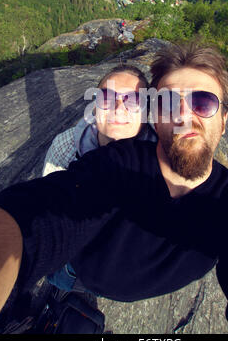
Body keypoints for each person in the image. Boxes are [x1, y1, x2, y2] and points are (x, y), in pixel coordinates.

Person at [0, 42, 228, 334]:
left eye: (203, 102)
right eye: (169, 101)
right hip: (76, 271)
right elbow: (39, 214)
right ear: (155, 119)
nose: (184, 116)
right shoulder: (113, 165)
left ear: (223, 121)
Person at [42, 64, 157, 291]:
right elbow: (48, 211)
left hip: (124, 264)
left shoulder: (161, 159)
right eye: (107, 97)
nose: (117, 107)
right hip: (75, 258)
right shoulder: (66, 148)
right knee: (57, 277)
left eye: (133, 100)